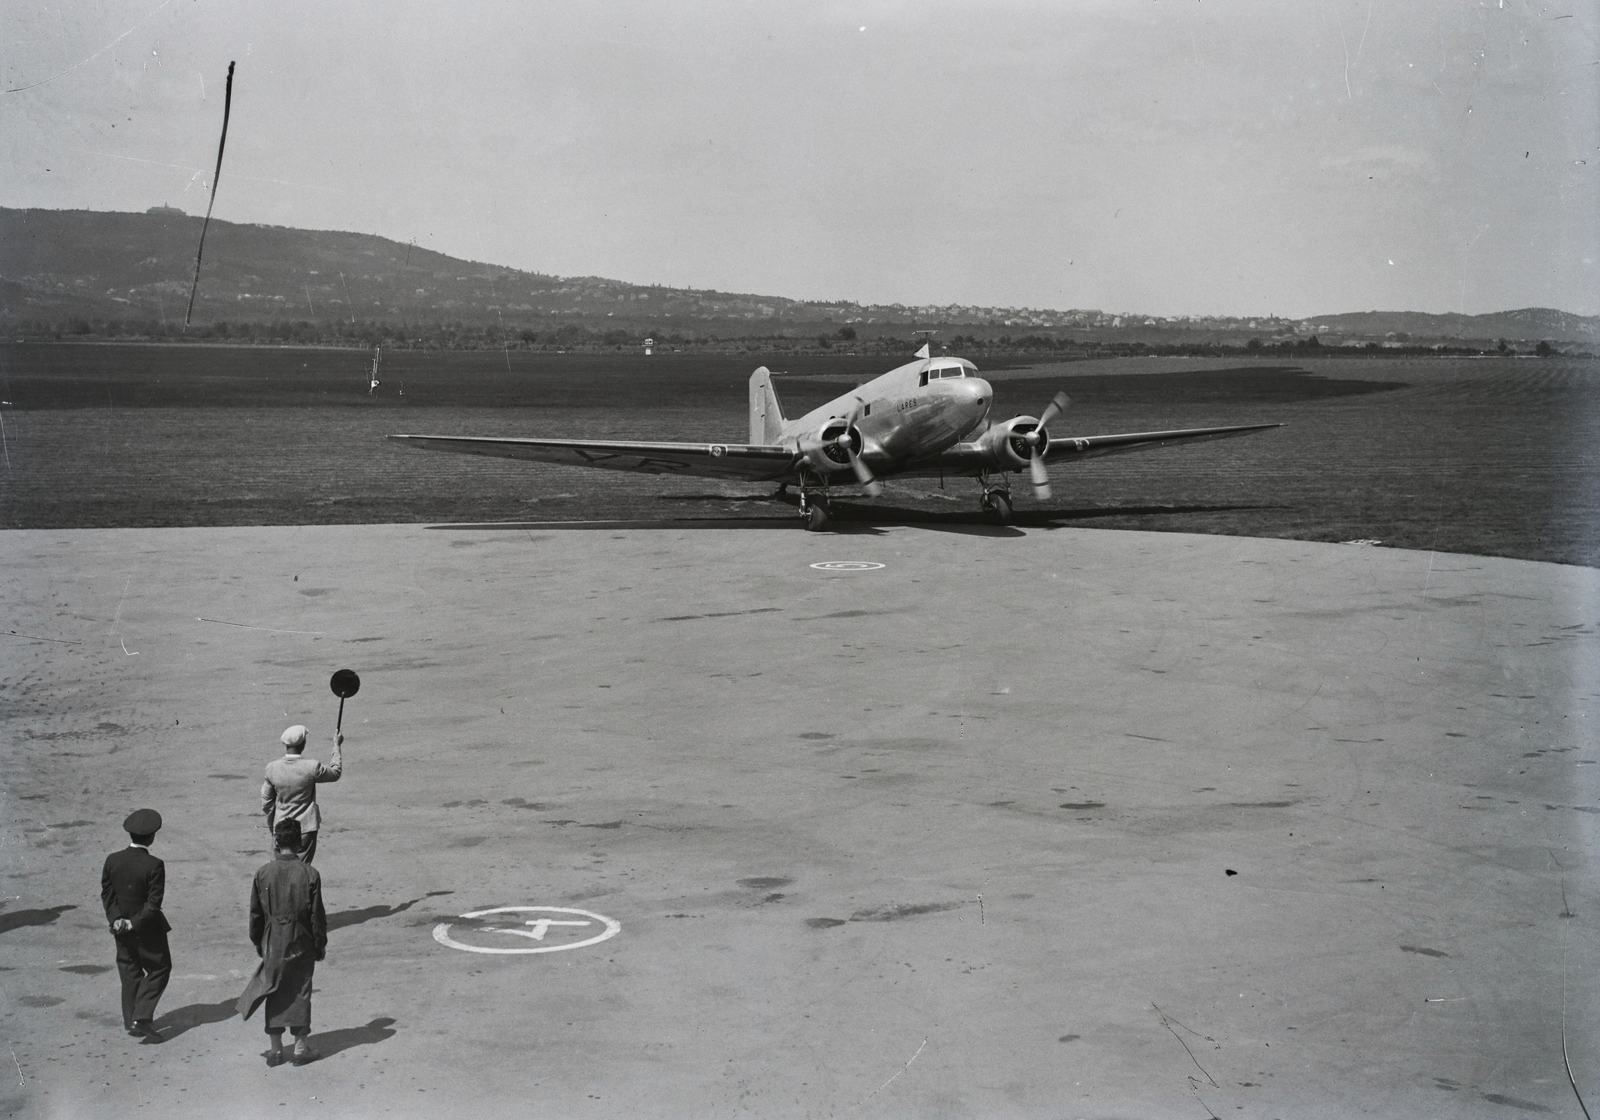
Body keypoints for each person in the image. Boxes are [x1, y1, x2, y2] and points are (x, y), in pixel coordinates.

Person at [238, 819, 328, 1067]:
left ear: (277, 843)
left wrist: (259, 943)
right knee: (300, 989)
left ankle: (276, 1050)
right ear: (299, 842)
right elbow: (316, 916)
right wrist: (319, 944)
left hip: (272, 938)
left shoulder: (263, 873)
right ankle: (300, 1049)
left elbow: (255, 914)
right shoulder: (310, 873)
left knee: (273, 988)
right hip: (301, 938)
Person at [100, 808, 172, 1042]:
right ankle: (142, 1017)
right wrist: (133, 923)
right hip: (146, 929)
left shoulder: (113, 860)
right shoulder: (154, 865)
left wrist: (117, 919)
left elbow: (107, 894)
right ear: (151, 837)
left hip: (120, 927)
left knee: (129, 970)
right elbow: (153, 904)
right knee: (159, 967)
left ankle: (131, 1021)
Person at [261, 723, 343, 863]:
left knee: (278, 869)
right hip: (305, 828)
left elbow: (266, 802)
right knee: (302, 870)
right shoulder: (312, 767)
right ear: (303, 744)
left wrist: (272, 825)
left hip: (281, 828)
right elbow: (335, 772)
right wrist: (336, 745)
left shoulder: (272, 768)